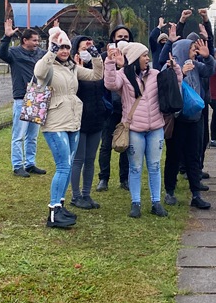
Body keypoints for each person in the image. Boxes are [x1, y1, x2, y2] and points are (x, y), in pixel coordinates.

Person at [34, 25, 103, 228]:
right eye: (60, 46)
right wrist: (51, 49)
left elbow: (96, 75)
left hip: (73, 121)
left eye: (66, 47)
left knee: (68, 164)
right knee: (63, 165)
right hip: (55, 123)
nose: (64, 51)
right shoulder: (47, 66)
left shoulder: (72, 67)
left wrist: (94, 53)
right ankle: (53, 213)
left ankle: (61, 205)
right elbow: (39, 71)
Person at [104, 41, 183, 218]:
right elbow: (110, 84)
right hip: (134, 129)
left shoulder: (155, 74)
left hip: (155, 127)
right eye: (144, 55)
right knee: (135, 167)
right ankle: (136, 202)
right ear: (134, 58)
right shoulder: (123, 76)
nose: (147, 58)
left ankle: (156, 202)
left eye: (147, 55)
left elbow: (175, 84)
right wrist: (109, 63)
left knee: (154, 166)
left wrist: (175, 69)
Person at [162, 37, 214, 209]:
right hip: (177, 120)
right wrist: (181, 74)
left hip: (194, 118)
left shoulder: (196, 65)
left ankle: (196, 194)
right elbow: (165, 88)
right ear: (184, 50)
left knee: (194, 156)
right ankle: (169, 191)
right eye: (192, 48)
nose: (194, 51)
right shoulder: (169, 65)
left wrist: (207, 57)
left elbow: (210, 71)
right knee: (174, 157)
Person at [0, 18, 47, 177]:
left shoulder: (40, 54)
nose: (37, 43)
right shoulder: (14, 53)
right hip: (22, 98)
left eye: (38, 40)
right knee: (19, 135)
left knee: (32, 135)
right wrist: (6, 37)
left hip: (38, 97)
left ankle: (30, 163)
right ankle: (18, 165)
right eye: (34, 40)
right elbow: (1, 53)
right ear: (24, 40)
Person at [69, 35, 107, 209]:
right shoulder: (71, 69)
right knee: (78, 159)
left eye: (89, 49)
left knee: (90, 159)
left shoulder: (96, 69)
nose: (87, 52)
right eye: (84, 49)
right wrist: (77, 70)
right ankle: (75, 196)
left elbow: (102, 81)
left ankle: (86, 194)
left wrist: (94, 54)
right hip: (79, 120)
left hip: (96, 118)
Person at [97, 25, 133, 191]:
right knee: (106, 145)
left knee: (126, 144)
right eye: (119, 36)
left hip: (128, 109)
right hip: (109, 108)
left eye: (126, 37)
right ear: (113, 39)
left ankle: (124, 179)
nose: (123, 39)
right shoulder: (105, 57)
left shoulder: (133, 58)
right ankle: (103, 178)